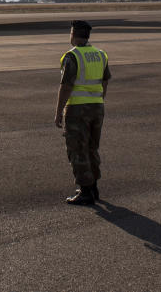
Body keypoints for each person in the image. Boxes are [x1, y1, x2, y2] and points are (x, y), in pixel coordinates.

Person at [54, 20, 111, 205]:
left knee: (77, 149)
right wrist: (99, 100)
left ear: (73, 35)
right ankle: (93, 187)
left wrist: (58, 111)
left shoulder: (73, 56)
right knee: (92, 148)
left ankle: (85, 191)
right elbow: (105, 81)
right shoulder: (101, 54)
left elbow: (66, 86)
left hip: (78, 109)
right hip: (97, 107)